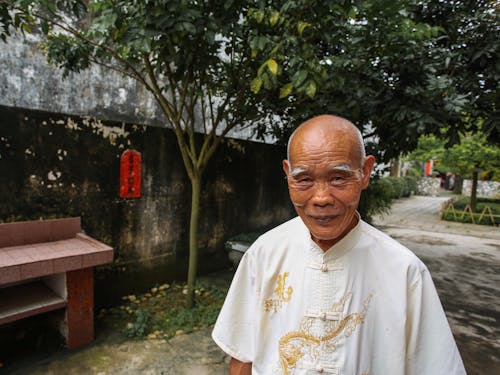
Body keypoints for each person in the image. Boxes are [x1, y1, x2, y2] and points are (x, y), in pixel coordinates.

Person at [212, 115, 466, 375]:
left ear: (365, 172)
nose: (321, 198)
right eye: (304, 179)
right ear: (288, 174)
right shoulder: (263, 254)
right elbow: (242, 355)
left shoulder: (405, 271)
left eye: (338, 178)